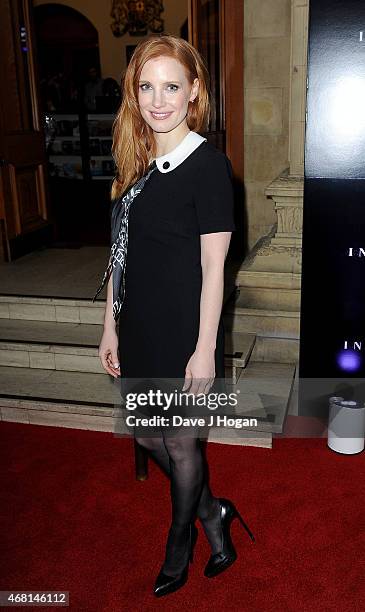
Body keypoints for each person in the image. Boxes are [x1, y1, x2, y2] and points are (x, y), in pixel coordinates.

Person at [94, 34, 255, 597]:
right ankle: (215, 512)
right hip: (138, 326)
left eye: (171, 86)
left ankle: (181, 539)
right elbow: (121, 253)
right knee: (146, 433)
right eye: (146, 86)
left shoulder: (209, 166)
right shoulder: (138, 167)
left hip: (186, 330)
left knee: (182, 444)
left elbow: (217, 268)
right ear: (134, 94)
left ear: (194, 93)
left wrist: (206, 345)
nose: (158, 99)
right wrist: (110, 324)